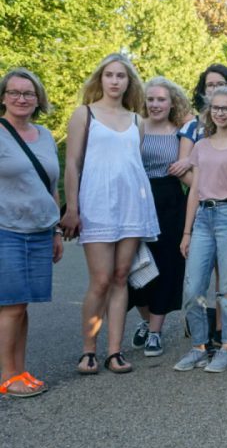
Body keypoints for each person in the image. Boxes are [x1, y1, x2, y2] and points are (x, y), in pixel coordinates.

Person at [60, 54, 160, 375]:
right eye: (109, 75)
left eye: (121, 76)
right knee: (101, 280)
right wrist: (72, 208)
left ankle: (114, 352)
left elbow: (132, 166)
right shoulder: (84, 114)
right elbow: (73, 164)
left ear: (129, 82)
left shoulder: (137, 121)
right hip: (96, 204)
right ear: (100, 79)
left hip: (132, 206)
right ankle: (88, 351)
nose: (115, 81)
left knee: (121, 277)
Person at [173, 87, 227, 374]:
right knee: (193, 287)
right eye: (216, 108)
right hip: (202, 219)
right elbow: (194, 190)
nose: (221, 113)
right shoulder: (202, 146)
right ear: (209, 111)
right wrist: (186, 232)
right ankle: (199, 347)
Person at [0, 69, 62, 396]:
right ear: (3, 97)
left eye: (28, 93)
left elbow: (51, 186)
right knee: (11, 305)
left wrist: (55, 231)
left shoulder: (45, 135)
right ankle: (7, 376)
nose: (21, 98)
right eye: (14, 92)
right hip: (6, 230)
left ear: (38, 99)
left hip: (40, 231)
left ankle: (20, 371)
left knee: (22, 306)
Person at [127, 77, 191, 357]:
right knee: (133, 264)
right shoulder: (133, 127)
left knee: (166, 265)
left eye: (161, 99)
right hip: (137, 199)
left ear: (172, 103)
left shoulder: (181, 132)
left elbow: (193, 166)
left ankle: (155, 331)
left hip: (170, 201)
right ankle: (144, 319)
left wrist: (187, 162)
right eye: (150, 99)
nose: (155, 104)